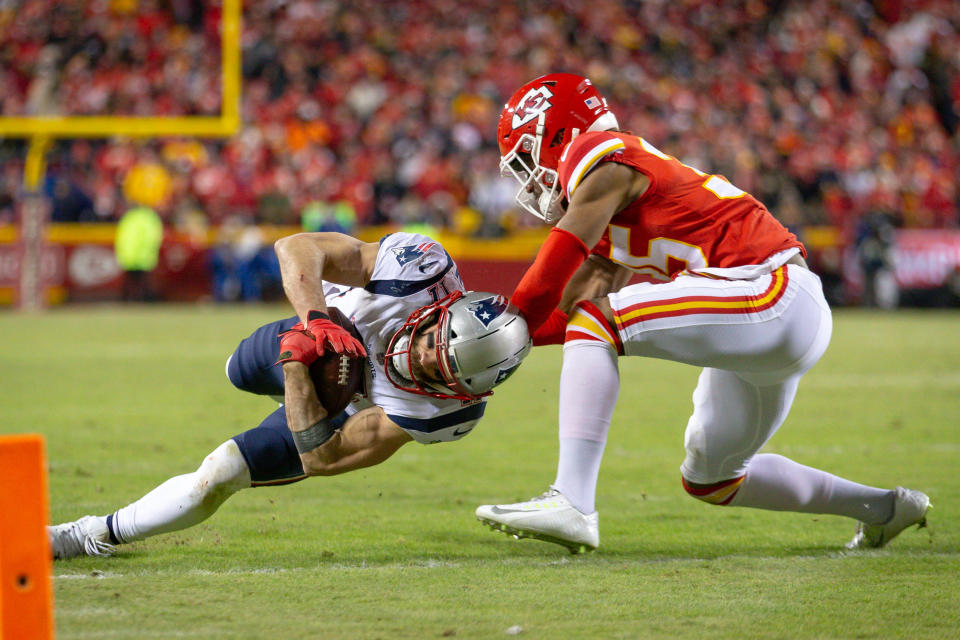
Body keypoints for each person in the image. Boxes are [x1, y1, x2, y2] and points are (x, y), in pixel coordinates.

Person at [475, 73, 930, 553]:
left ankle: (571, 500)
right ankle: (885, 508)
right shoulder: (611, 202)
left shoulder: (600, 152)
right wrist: (502, 343)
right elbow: (571, 312)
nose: (528, 177)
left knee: (599, 322)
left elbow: (552, 283)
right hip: (775, 318)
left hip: (771, 291)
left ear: (559, 133)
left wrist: (501, 326)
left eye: (528, 156)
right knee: (714, 478)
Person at [49, 230, 531, 558]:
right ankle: (303, 347)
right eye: (431, 345)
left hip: (341, 404)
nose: (421, 360)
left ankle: (92, 534)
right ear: (439, 311)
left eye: (438, 372)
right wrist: (316, 321)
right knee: (236, 370)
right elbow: (296, 246)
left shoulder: (445, 415)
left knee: (221, 472)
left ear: (464, 391)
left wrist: (300, 370)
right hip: (321, 329)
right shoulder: (420, 269)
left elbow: (324, 457)